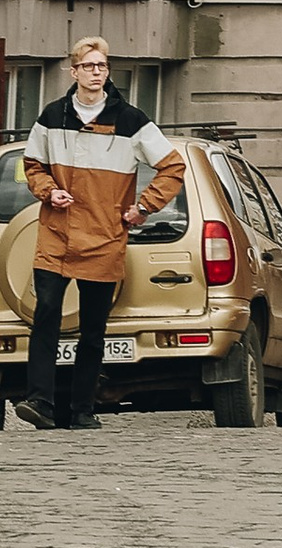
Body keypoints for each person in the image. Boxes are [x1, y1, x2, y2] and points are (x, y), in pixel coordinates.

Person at [16, 37, 185, 432]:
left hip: (104, 235)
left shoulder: (130, 120)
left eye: (102, 66)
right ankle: (39, 401)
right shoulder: (52, 115)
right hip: (56, 234)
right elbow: (32, 163)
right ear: (73, 72)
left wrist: (142, 208)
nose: (96, 72)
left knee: (93, 330)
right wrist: (47, 190)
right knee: (46, 317)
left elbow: (172, 167)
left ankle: (80, 410)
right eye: (89, 66)